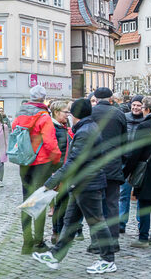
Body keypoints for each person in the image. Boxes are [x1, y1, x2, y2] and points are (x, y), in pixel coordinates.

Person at [33, 98, 116, 274]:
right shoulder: (86, 128)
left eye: (70, 111)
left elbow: (74, 160)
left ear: (75, 114)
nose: (68, 114)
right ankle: (55, 256)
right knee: (70, 222)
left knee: (97, 223)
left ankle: (108, 260)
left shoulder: (85, 131)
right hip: (81, 183)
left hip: (88, 183)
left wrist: (52, 182)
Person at [12, 85, 62, 254]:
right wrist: (57, 161)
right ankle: (38, 243)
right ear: (43, 98)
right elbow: (49, 143)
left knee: (27, 200)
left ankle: (26, 243)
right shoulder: (44, 116)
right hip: (42, 163)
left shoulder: (20, 113)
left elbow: (15, 132)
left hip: (25, 162)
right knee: (39, 201)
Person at [123, 96, 151, 248]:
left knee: (143, 204)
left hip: (145, 169)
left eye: (142, 108)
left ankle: (143, 238)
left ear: (147, 109)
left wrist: (127, 171)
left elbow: (135, 152)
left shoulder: (143, 126)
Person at [91, 87, 127, 253]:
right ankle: (113, 241)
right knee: (112, 204)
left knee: (96, 206)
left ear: (96, 98)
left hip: (95, 165)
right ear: (111, 98)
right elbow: (125, 142)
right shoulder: (119, 113)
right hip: (113, 163)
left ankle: (98, 243)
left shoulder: (91, 114)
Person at [50, 100, 79, 244]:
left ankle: (59, 232)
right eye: (65, 112)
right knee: (61, 203)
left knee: (63, 202)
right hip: (59, 171)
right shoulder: (53, 128)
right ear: (56, 112)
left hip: (66, 170)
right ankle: (57, 232)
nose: (68, 115)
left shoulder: (64, 127)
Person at [120, 94, 144, 234]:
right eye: (134, 105)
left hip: (140, 162)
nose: (135, 108)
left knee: (140, 194)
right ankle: (121, 222)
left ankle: (141, 223)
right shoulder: (124, 118)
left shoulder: (146, 120)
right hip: (125, 160)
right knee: (124, 193)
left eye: (138, 105)